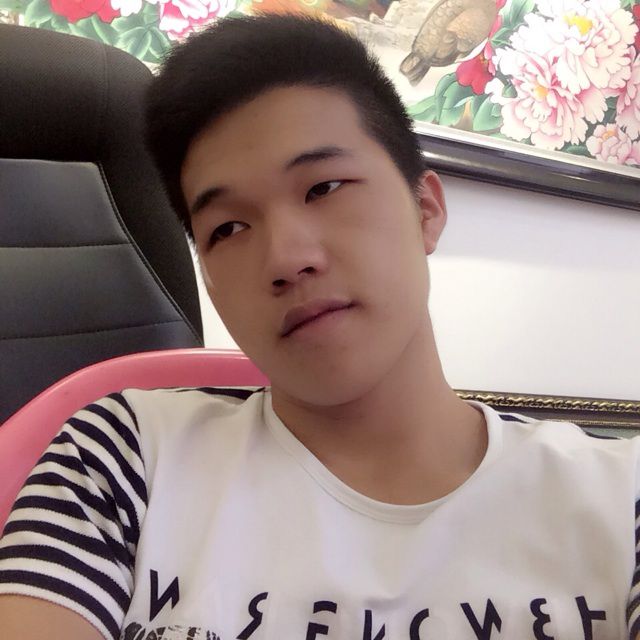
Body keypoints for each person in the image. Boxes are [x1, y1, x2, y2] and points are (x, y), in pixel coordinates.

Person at [1, 13, 639, 640]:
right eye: (228, 228)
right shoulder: (122, 455)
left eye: (325, 187)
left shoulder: (620, 494)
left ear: (425, 209)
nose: (285, 258)